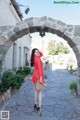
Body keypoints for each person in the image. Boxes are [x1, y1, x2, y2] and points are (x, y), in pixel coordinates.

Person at [30, 48, 45, 116]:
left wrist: (37, 52)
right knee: (40, 91)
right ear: (34, 53)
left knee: (36, 91)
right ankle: (39, 107)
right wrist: (41, 78)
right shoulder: (38, 59)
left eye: (38, 52)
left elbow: (41, 54)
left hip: (35, 76)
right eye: (36, 52)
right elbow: (39, 69)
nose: (38, 53)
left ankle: (35, 105)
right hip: (39, 76)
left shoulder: (35, 58)